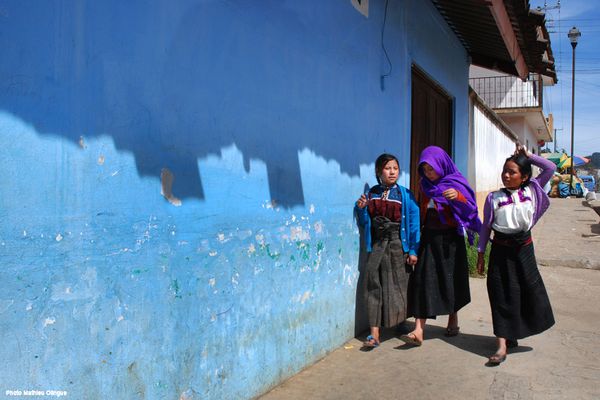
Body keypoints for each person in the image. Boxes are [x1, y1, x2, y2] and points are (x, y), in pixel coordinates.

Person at [476, 144, 556, 365]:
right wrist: (481, 253)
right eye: (505, 171)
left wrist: (528, 156)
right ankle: (501, 345)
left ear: (524, 177)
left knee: (526, 290)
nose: (506, 176)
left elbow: (550, 168)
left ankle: (514, 334)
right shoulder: (494, 198)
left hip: (524, 248)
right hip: (500, 250)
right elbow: (486, 227)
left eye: (512, 172)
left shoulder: (532, 190)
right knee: (500, 292)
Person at [401, 146, 481, 346]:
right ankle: (419, 329)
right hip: (429, 237)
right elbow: (421, 211)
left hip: (450, 240)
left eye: (432, 169)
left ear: (442, 165)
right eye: (425, 170)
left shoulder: (456, 183)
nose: (429, 174)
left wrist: (459, 198)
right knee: (423, 280)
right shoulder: (425, 185)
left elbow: (471, 210)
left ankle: (453, 318)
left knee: (450, 280)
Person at [355, 153, 420, 348]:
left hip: (398, 244)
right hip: (377, 244)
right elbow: (365, 223)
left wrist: (413, 250)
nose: (392, 172)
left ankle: (399, 322)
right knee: (373, 282)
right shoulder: (372, 194)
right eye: (387, 168)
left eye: (395, 168)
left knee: (399, 285)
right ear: (378, 171)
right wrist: (362, 209)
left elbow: (414, 223)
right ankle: (375, 333)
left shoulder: (405, 195)